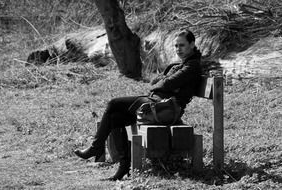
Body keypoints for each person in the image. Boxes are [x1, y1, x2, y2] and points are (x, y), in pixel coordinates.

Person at [74, 29, 202, 180]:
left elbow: (167, 83)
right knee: (115, 117)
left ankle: (96, 148)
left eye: (182, 45)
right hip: (157, 103)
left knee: (113, 103)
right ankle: (123, 166)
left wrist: (160, 85)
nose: (178, 49)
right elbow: (158, 81)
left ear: (192, 44)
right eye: (176, 46)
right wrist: (161, 84)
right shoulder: (182, 63)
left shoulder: (192, 65)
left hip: (165, 108)